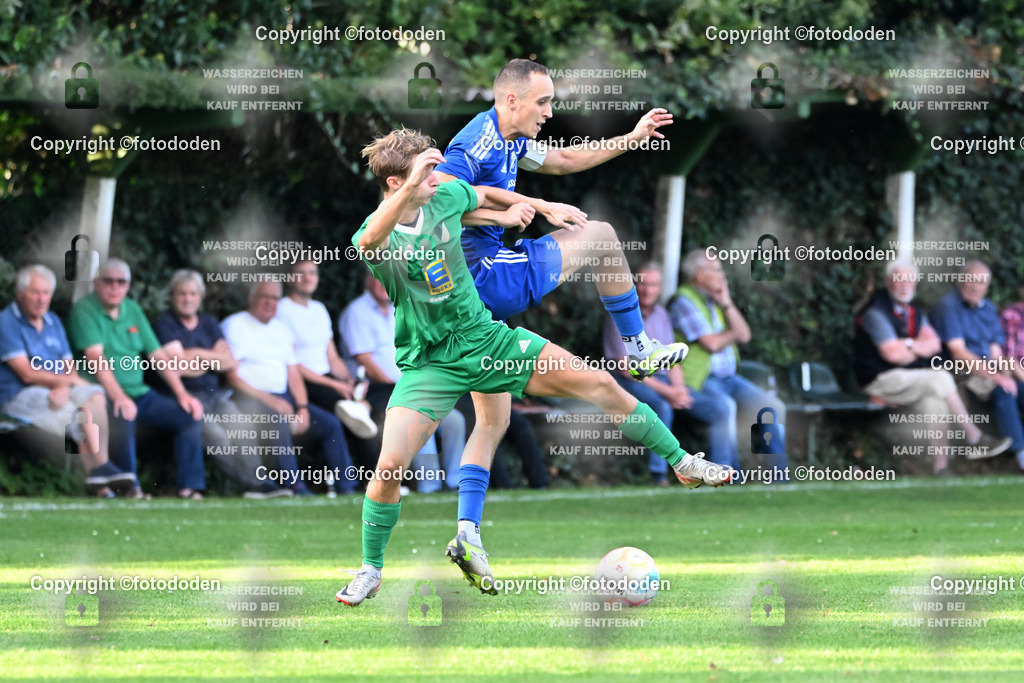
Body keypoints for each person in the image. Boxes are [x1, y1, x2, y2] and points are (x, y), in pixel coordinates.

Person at [335, 130, 731, 606]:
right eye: (426, 175)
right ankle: (370, 570)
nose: (439, 180)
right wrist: (415, 184)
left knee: (599, 382)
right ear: (397, 182)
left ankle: (682, 462)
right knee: (390, 465)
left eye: (435, 171)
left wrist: (532, 206)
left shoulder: (443, 194)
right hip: (430, 364)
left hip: (488, 340)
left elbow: (478, 192)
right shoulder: (375, 236)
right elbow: (372, 236)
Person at [433, 58, 689, 577]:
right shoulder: (475, 144)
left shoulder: (508, 139)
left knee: (493, 419)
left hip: (472, 306)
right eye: (543, 101)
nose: (550, 111)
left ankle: (467, 533)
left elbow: (565, 160)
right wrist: (527, 208)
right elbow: (433, 201)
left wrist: (632, 137)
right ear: (510, 100)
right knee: (602, 237)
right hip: (485, 276)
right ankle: (638, 350)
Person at [67, 259, 207, 499]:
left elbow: (157, 355)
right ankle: (131, 488)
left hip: (140, 392)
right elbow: (95, 358)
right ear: (96, 283)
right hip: (102, 394)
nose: (114, 287)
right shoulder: (84, 310)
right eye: (108, 281)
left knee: (189, 416)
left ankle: (189, 487)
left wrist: (183, 394)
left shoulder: (132, 309)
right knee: (125, 413)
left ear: (128, 285)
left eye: (120, 282)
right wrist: (119, 397)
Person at [853, 261, 1010, 475]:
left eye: (910, 280)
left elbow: (934, 345)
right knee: (939, 378)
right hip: (878, 380)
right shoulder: (875, 313)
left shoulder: (914, 312)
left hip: (907, 378)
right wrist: (915, 346)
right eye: (900, 280)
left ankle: (940, 468)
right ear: (888, 282)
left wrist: (906, 347)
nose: (906, 285)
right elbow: (891, 354)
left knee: (934, 401)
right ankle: (974, 437)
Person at [153, 269, 291, 498]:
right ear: (173, 296)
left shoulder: (208, 323)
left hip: (216, 395)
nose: (188, 299)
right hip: (185, 397)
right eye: (182, 294)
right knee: (217, 437)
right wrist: (211, 357)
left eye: (193, 294)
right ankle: (252, 486)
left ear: (200, 297)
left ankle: (258, 483)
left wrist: (195, 357)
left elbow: (228, 363)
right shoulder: (165, 323)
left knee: (242, 428)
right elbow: (176, 364)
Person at [0, 264, 134, 495]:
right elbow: (26, 373)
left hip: (56, 387)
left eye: (46, 293)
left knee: (95, 394)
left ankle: (100, 470)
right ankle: (101, 483)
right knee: (77, 413)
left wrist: (64, 384)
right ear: (20, 294)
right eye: (35, 292)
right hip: (18, 394)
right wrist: (62, 383)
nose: (42, 299)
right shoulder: (6, 322)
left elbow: (69, 369)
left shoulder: (53, 321)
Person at [221, 279, 356, 495]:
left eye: (274, 298)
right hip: (247, 398)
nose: (269, 303)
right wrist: (270, 400)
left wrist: (302, 407)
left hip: (284, 398)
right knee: (278, 418)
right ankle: (294, 485)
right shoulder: (235, 325)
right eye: (264, 297)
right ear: (251, 298)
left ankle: (346, 487)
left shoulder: (282, 329)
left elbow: (293, 373)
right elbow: (232, 376)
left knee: (330, 424)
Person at [338, 270, 466, 493]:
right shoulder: (356, 312)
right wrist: (402, 387)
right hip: (377, 389)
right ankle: (430, 485)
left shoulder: (400, 309)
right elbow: (364, 360)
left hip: (408, 387)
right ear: (368, 280)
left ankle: (455, 482)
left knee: (455, 420)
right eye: (378, 277)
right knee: (419, 417)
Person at [669, 249, 786, 472]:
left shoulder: (715, 302)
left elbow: (744, 335)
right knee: (725, 408)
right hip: (704, 379)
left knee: (773, 407)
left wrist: (727, 302)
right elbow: (711, 344)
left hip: (729, 378)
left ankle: (778, 477)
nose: (723, 275)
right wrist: (732, 334)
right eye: (717, 270)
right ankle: (727, 475)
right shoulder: (684, 301)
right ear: (699, 274)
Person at [931, 261, 1024, 472]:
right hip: (961, 372)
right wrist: (997, 378)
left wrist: (1004, 372)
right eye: (971, 280)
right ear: (960, 281)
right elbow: (958, 352)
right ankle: (1020, 455)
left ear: (987, 286)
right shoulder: (948, 307)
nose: (975, 286)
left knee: (1015, 388)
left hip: (987, 372)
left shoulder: (989, 308)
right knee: (1003, 390)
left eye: (981, 282)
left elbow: (995, 350)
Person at [603, 263, 692, 485]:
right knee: (661, 406)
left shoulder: (662, 314)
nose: (647, 289)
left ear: (660, 288)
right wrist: (669, 392)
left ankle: (727, 471)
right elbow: (626, 368)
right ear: (633, 285)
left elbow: (673, 360)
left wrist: (679, 390)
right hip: (629, 380)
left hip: (662, 380)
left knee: (721, 406)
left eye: (652, 284)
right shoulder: (620, 313)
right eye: (642, 283)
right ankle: (658, 474)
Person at [275, 260, 378, 442]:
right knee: (351, 414)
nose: (308, 277)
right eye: (301, 272)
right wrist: (335, 385)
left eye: (312, 272)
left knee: (367, 401)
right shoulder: (282, 309)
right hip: (305, 383)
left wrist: (349, 381)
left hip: (329, 379)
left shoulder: (319, 309)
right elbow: (292, 364)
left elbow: (333, 358)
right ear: (290, 278)